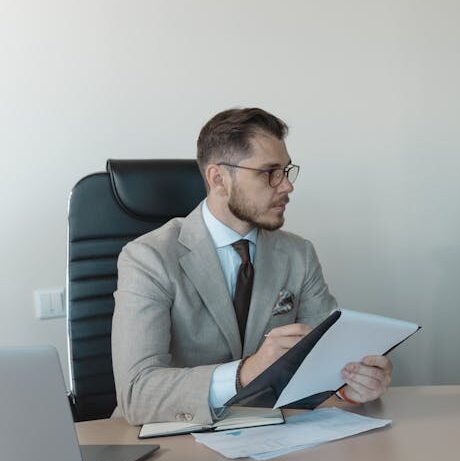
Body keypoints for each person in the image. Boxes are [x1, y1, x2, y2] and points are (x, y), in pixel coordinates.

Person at [111, 107, 392, 426]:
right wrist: (246, 372)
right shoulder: (148, 257)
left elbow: (327, 359)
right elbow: (136, 393)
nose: (287, 186)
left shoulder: (298, 254)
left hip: (270, 436)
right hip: (174, 441)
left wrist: (353, 384)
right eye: (269, 172)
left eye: (287, 171)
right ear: (218, 179)